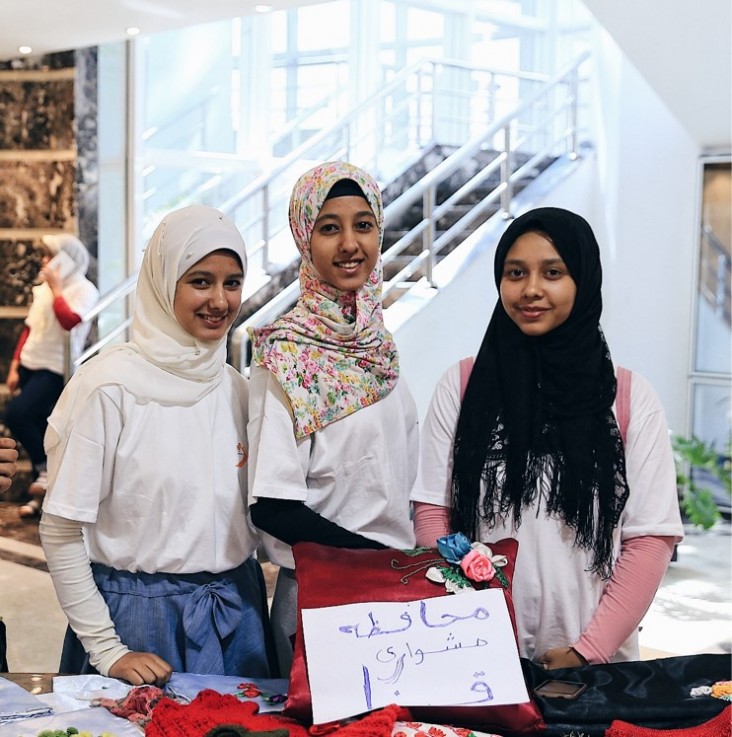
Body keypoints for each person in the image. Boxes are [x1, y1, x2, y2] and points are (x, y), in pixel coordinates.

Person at [411, 206, 683, 669]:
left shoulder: (628, 398)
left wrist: (586, 651)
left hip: (596, 667)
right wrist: (469, 623)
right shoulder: (461, 388)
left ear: (583, 280)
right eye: (516, 272)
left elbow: (649, 540)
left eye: (552, 272)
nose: (531, 289)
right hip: (476, 653)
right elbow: (433, 513)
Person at [39, 205, 274, 685]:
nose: (220, 300)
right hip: (136, 627)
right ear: (164, 282)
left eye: (232, 282)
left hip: (238, 615)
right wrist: (108, 650)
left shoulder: (238, 391)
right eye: (200, 281)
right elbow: (61, 531)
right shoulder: (109, 386)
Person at [247, 161, 419, 676]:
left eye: (363, 225)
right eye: (329, 228)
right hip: (324, 594)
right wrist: (382, 562)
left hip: (390, 588)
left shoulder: (380, 350)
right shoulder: (287, 357)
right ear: (305, 239)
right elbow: (274, 507)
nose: (350, 244)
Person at [5, 233, 99, 517]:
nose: (44, 262)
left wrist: (58, 289)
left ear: (66, 260)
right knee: (41, 426)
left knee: (16, 415)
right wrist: (14, 365)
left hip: (56, 369)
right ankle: (43, 491)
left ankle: (45, 472)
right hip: (31, 365)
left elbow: (69, 321)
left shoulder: (84, 290)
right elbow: (29, 328)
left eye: (50, 256)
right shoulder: (43, 288)